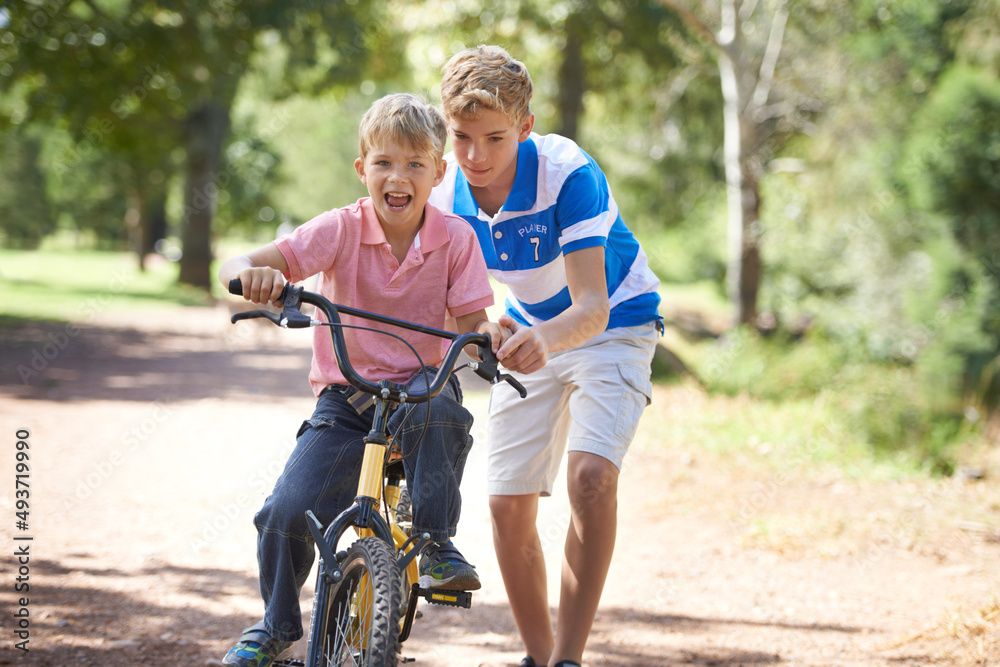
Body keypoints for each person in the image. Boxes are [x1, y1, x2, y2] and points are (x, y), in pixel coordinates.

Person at [217, 92, 508, 667]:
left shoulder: (456, 239)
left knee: (444, 410)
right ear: (362, 169)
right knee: (285, 511)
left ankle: (437, 544)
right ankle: (276, 624)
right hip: (347, 401)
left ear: (438, 173)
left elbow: (474, 322)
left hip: (422, 391)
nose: (398, 177)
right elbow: (238, 262)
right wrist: (249, 275)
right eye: (384, 163)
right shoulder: (340, 229)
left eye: (415, 164)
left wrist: (490, 336)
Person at [428, 45, 663, 667]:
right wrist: (490, 326)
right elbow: (461, 300)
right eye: (461, 138)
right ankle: (537, 658)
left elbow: (592, 307)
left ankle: (568, 660)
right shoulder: (447, 189)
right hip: (533, 329)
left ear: (526, 127)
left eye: (494, 138)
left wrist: (540, 337)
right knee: (507, 503)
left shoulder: (568, 172)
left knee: (591, 478)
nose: (475, 157)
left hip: (616, 324)